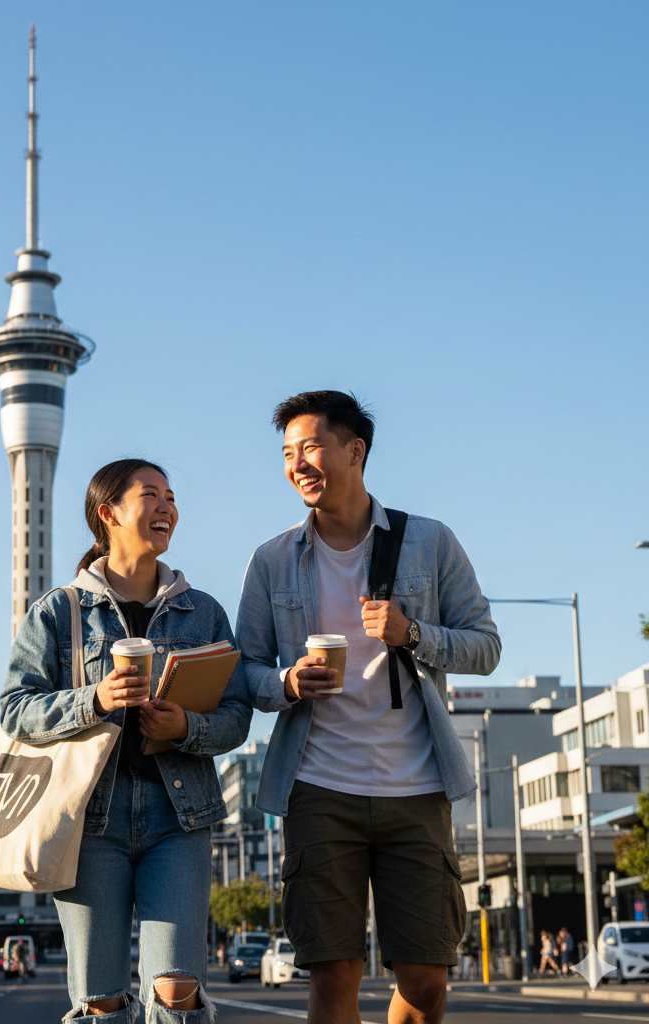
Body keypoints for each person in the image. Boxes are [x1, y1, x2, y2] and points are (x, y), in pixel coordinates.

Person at [236, 391, 501, 1024]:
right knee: (333, 975)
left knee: (426, 977)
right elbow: (242, 672)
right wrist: (288, 683)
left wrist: (413, 632)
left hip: (417, 786)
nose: (297, 463)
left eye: (310, 447)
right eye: (286, 453)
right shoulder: (272, 561)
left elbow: (486, 646)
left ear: (355, 451)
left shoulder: (429, 543)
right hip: (319, 786)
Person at [1, 459, 253, 1022]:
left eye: (170, 497)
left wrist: (186, 728)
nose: (167, 507)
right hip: (88, 823)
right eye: (150, 495)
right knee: (100, 1000)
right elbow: (15, 710)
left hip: (179, 819)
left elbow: (237, 715)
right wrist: (95, 699)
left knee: (177, 990)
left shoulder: (203, 612)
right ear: (107, 513)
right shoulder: (59, 611)